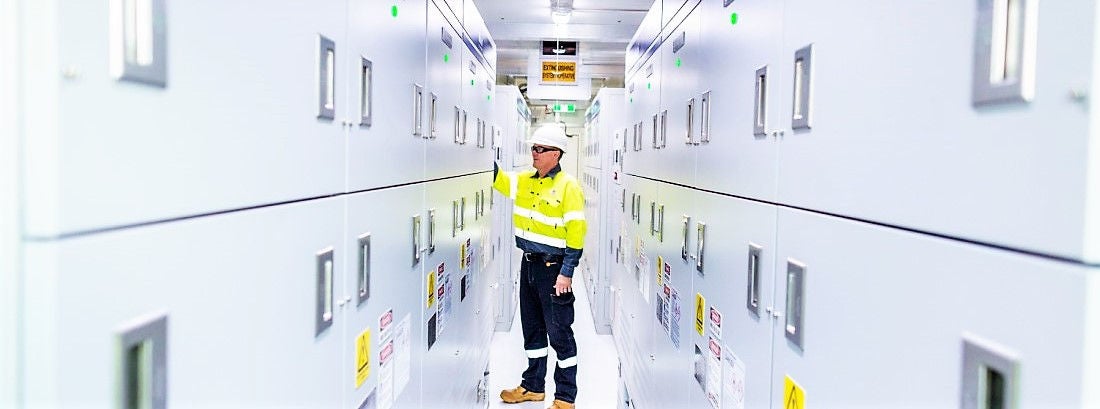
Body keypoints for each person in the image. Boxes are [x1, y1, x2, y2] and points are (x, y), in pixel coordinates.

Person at [493, 124, 586, 409]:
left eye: (539, 149)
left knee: (559, 333)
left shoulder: (568, 186)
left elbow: (577, 232)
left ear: (555, 154)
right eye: (533, 148)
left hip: (554, 268)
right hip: (529, 265)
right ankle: (533, 386)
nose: (533, 153)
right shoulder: (525, 180)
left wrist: (566, 272)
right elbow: (496, 178)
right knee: (532, 329)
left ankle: (565, 398)